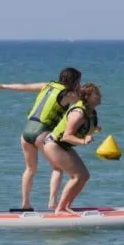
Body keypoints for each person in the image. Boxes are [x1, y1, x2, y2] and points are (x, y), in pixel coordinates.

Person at [0, 67, 82, 210]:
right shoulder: (69, 94)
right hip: (43, 131)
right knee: (57, 168)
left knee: (30, 169)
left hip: (27, 131)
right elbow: (84, 100)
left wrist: (3, 86)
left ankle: (26, 204)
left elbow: (25, 87)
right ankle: (52, 203)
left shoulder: (46, 86)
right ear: (74, 81)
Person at [42, 83, 102, 215]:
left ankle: (66, 206)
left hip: (62, 146)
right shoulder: (78, 113)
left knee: (84, 176)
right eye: (96, 94)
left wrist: (94, 128)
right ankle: (61, 209)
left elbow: (85, 126)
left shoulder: (90, 111)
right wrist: (83, 140)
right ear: (87, 96)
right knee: (77, 176)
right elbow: (66, 136)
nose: (100, 96)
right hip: (54, 144)